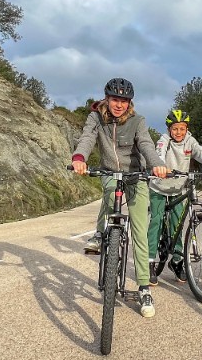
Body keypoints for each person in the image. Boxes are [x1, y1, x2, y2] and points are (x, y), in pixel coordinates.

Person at [70, 77, 168, 318]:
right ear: (107, 99)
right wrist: (80, 157)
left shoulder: (138, 121)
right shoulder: (96, 118)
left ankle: (144, 287)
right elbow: (87, 138)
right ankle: (100, 232)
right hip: (109, 171)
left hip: (136, 175)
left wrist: (157, 165)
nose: (119, 104)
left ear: (129, 103)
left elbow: (146, 144)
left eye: (124, 101)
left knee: (139, 230)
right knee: (109, 189)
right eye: (115, 99)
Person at [147, 110, 202, 286]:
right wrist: (161, 167)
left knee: (178, 223)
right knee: (156, 222)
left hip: (178, 188)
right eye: (175, 129)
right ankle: (150, 262)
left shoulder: (190, 141)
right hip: (159, 187)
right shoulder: (164, 141)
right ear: (169, 129)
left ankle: (176, 261)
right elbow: (158, 154)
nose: (179, 132)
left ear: (187, 129)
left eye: (182, 129)